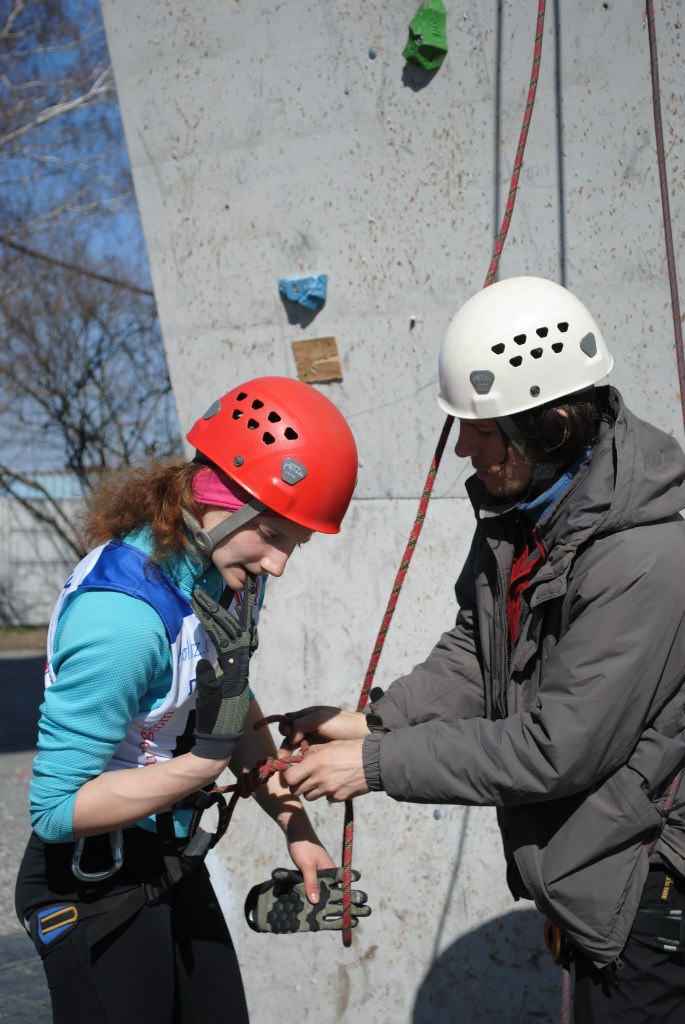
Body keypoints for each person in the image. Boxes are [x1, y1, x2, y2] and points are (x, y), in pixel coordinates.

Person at [281, 277, 685, 1022]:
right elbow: (477, 647)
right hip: (596, 875)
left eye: (482, 430)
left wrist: (374, 765)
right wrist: (378, 721)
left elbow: (553, 749)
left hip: (647, 895)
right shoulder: (525, 511)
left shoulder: (645, 558)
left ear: (553, 426)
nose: (463, 448)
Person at [15, 375, 364, 1024]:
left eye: (295, 542)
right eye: (274, 533)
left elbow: (230, 699)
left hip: (167, 858)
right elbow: (55, 811)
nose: (280, 564)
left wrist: (297, 828)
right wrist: (204, 766)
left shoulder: (221, 571)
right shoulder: (121, 618)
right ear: (218, 496)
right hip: (88, 879)